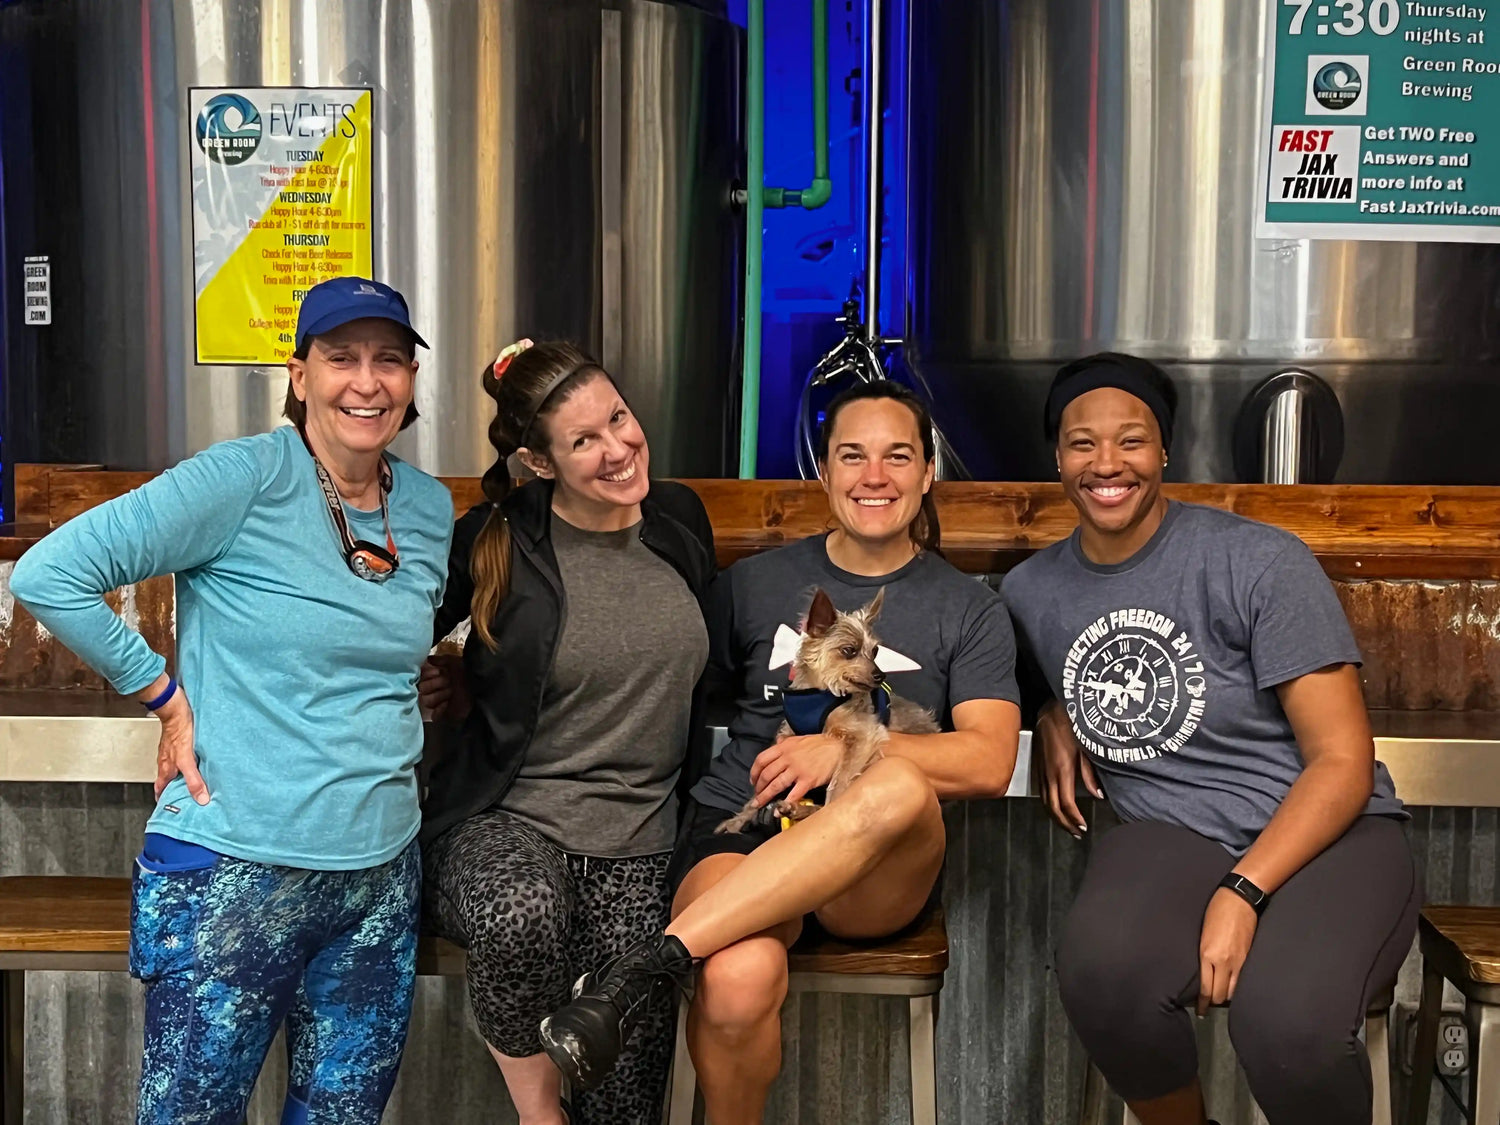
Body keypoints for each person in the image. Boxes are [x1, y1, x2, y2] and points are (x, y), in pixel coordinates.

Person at [9, 277, 453, 1124]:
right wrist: (167, 698)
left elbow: (376, 655)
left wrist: (428, 679)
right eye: (341, 357)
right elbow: (49, 575)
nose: (368, 381)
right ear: (298, 374)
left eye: (389, 360)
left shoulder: (427, 509)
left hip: (379, 878)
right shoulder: (242, 478)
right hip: (235, 873)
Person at [537, 380, 1023, 1124]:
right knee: (735, 975)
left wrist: (845, 753)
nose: (875, 476)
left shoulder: (970, 608)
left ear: (928, 473)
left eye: (898, 456)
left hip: (876, 867)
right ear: (823, 472)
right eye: (852, 456)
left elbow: (989, 761)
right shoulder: (755, 584)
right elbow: (662, 678)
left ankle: (643, 968)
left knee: (892, 784)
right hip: (747, 826)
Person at [999, 353, 1420, 1125]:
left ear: (1164, 451)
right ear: (1057, 457)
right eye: (1081, 442)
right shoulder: (1030, 591)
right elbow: (1021, 671)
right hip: (1173, 832)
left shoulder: (1258, 561)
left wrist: (1244, 888)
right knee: (1104, 974)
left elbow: (1342, 759)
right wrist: (1053, 709)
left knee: (1287, 1024)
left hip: (1331, 831)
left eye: (1131, 441)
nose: (1106, 464)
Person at [416, 340, 716, 1125]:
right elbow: (385, 636)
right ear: (539, 461)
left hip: (642, 849)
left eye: (618, 417)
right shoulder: (492, 537)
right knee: (524, 910)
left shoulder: (680, 521)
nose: (619, 447)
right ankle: (538, 1117)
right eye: (585, 440)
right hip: (506, 826)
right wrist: (436, 672)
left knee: (622, 1109)